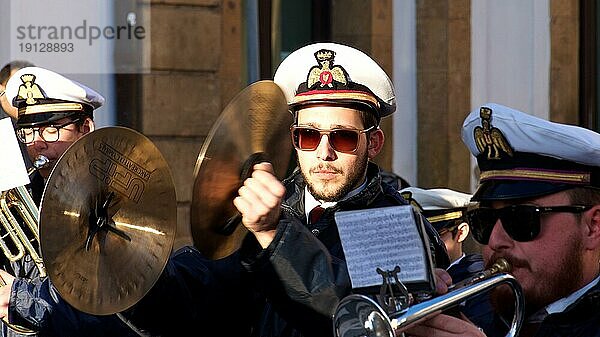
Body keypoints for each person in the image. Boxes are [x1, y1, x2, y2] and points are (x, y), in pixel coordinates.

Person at [124, 42, 449, 336]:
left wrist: (274, 234)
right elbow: (191, 300)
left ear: (373, 142)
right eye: (308, 136)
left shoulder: (395, 222)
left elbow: (356, 319)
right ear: (293, 139)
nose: (324, 153)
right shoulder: (268, 206)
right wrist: (127, 267)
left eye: (343, 137)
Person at [405, 103, 600, 337]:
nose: (495, 241)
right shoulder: (481, 311)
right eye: (484, 221)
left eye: (521, 219)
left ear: (593, 226)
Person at [2, 66, 138, 336]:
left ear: (85, 129)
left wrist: (23, 301)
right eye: (28, 132)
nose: (36, 143)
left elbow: (118, 314)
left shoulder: (118, 202)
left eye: (50, 129)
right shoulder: (19, 195)